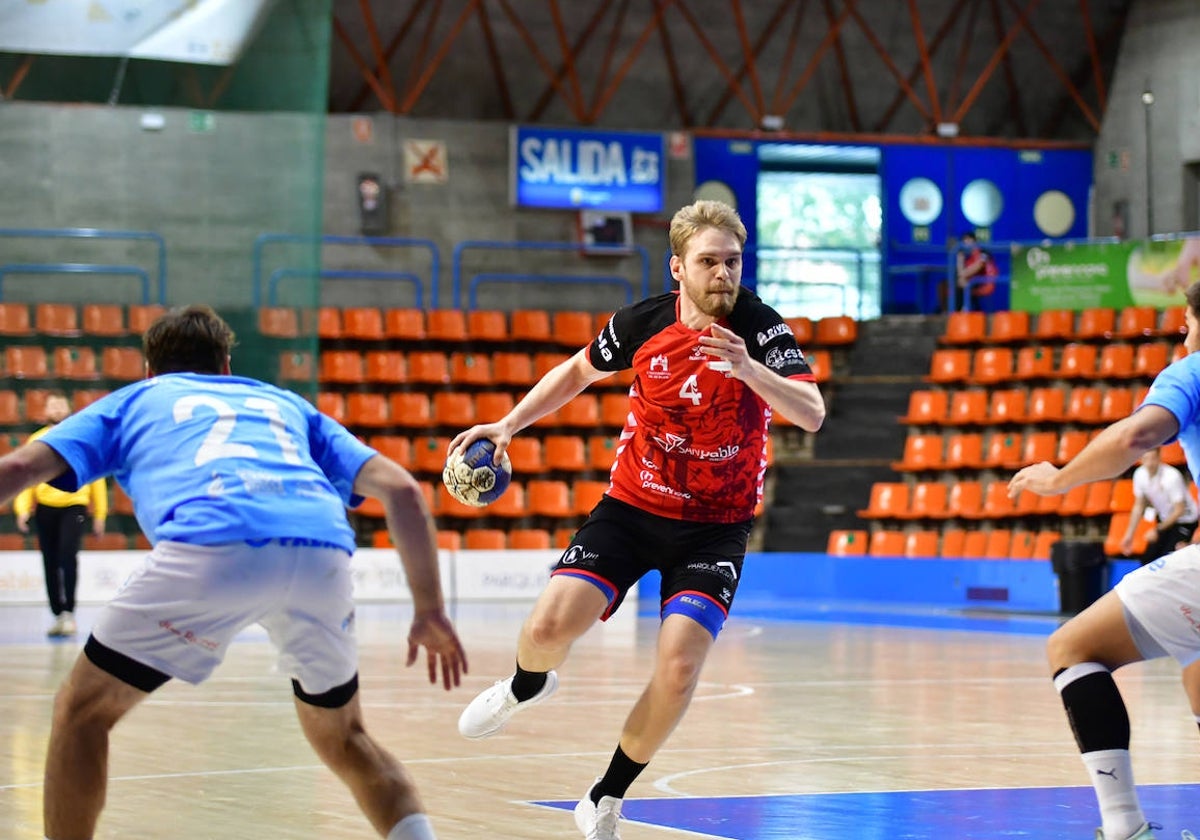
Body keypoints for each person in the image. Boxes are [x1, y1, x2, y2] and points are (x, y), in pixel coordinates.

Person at [0, 305, 467, 840]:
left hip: (211, 544)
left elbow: (16, 470)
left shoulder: (134, 401)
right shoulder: (284, 403)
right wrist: (429, 609)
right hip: (322, 551)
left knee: (81, 712)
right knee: (346, 739)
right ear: (226, 366)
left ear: (150, 371)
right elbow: (404, 490)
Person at [450, 199, 825, 840]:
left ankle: (607, 795)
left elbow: (812, 413)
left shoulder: (759, 328)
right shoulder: (643, 322)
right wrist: (508, 424)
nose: (723, 275)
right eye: (708, 262)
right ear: (677, 267)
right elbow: (576, 371)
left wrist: (748, 367)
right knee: (547, 624)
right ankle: (525, 684)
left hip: (715, 526)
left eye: (732, 262)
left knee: (679, 669)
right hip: (632, 506)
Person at [1008, 280, 1200, 840]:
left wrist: (1060, 478)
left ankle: (1123, 827)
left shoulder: (1190, 371)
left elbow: (1140, 432)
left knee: (1072, 646)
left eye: (1186, 321)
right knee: (1195, 661)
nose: (1183, 332)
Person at [13, 392, 108, 638]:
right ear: (45, 411)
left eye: (60, 404)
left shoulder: (79, 436)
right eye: (51, 405)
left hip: (74, 504)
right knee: (50, 560)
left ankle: (69, 612)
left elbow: (94, 475)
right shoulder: (37, 440)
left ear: (68, 408)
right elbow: (26, 475)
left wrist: (100, 513)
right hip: (45, 507)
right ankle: (57, 613)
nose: (56, 409)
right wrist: (22, 509)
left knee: (68, 555)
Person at [1117, 446, 1198, 564]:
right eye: (1146, 459)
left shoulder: (1171, 476)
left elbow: (1179, 510)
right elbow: (1139, 506)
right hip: (1165, 518)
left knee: (1169, 560)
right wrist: (1129, 535)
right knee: (1147, 560)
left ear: (1159, 457)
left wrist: (1157, 530)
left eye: (1152, 458)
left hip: (1185, 520)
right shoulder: (1140, 475)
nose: (1149, 463)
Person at [953, 231, 999, 311]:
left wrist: (962, 275)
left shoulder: (983, 253)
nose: (967, 243)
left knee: (964, 283)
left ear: (975, 241)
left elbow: (977, 267)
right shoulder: (968, 256)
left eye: (969, 240)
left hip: (986, 282)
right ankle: (955, 312)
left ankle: (960, 311)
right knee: (952, 283)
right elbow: (961, 274)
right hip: (974, 281)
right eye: (964, 241)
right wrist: (960, 259)